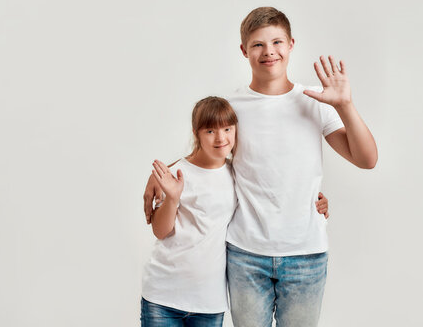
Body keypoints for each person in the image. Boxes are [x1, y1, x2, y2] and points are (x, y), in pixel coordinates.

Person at [143, 7, 377, 327]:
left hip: (306, 255)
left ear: (291, 44)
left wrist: (345, 105)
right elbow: (206, 151)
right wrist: (159, 174)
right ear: (244, 50)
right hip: (246, 255)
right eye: (257, 45)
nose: (269, 52)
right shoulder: (233, 107)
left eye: (277, 42)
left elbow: (367, 160)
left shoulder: (315, 100)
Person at [140, 97, 329, 327]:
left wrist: (314, 201)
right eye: (210, 131)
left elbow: (271, 190)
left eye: (227, 129)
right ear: (196, 133)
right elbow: (160, 231)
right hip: (163, 295)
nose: (221, 138)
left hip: (208, 303)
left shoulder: (235, 172)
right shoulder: (177, 174)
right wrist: (172, 198)